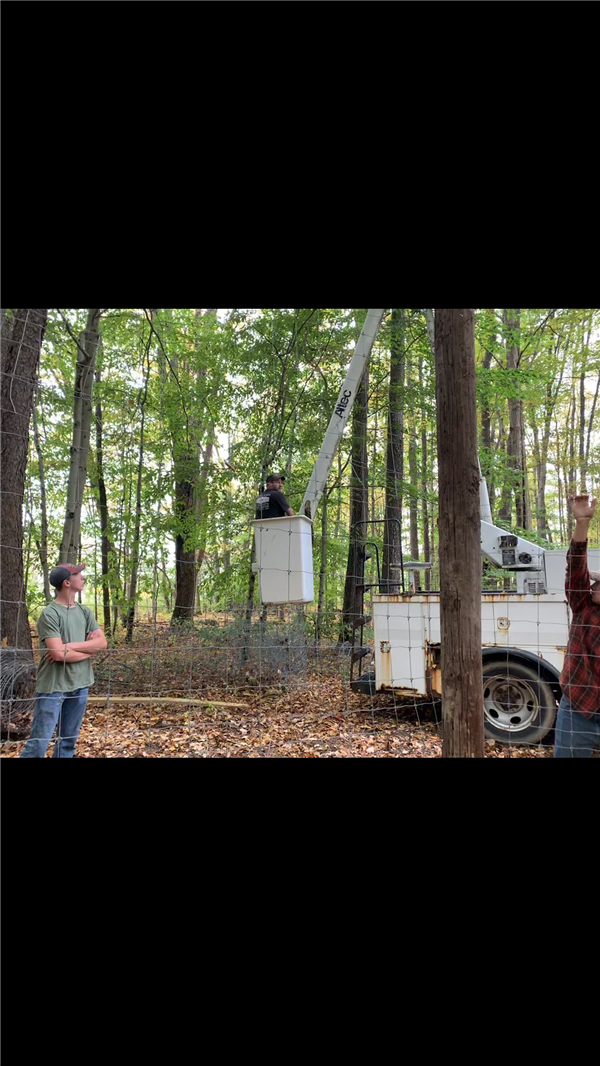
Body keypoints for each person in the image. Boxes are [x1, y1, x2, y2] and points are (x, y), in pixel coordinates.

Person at [20, 563, 107, 758]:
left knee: (67, 743)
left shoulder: (85, 612)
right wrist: (88, 650)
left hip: (81, 683)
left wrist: (68, 646)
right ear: (67, 582)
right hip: (53, 686)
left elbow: (102, 642)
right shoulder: (50, 614)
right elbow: (58, 655)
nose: (83, 577)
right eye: (78, 575)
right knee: (38, 745)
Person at [555, 493, 600, 757]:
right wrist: (582, 523)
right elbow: (576, 567)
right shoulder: (584, 606)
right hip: (579, 709)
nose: (593, 585)